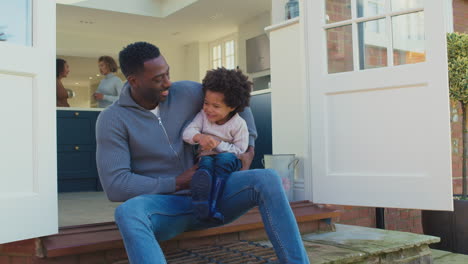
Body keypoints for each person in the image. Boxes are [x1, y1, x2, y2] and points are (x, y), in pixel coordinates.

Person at [96, 41, 310, 264]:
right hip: (167, 209)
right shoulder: (112, 120)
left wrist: (248, 149)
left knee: (268, 178)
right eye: (158, 78)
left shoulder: (187, 92)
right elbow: (116, 185)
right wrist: (177, 182)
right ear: (134, 81)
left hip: (215, 195)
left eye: (168, 73)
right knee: (128, 213)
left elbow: (236, 101)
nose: (168, 82)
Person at [183, 68, 251, 223]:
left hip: (228, 158)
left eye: (216, 106)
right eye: (206, 103)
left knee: (224, 160)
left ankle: (215, 202)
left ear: (232, 107)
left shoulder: (239, 124)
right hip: (206, 155)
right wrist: (199, 136)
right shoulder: (202, 116)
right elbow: (186, 133)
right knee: (205, 164)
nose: (209, 109)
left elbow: (241, 151)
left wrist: (219, 145)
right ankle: (202, 200)